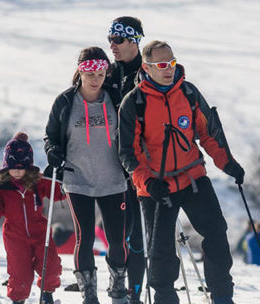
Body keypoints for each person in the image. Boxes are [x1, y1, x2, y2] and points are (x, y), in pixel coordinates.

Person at [118, 40, 245, 304]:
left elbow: (209, 133)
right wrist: (148, 182)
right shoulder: (134, 103)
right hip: (156, 187)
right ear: (147, 67)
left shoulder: (188, 92)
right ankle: (166, 299)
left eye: (172, 63)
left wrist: (227, 163)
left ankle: (222, 297)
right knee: (161, 252)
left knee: (216, 233)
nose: (168, 69)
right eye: (162, 65)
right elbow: (128, 153)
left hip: (192, 178)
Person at [44, 46, 130, 304]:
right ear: (80, 72)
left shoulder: (115, 99)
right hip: (77, 178)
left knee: (117, 239)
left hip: (114, 178)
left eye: (101, 74)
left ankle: (117, 288)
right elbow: (50, 136)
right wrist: (53, 151)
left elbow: (130, 130)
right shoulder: (66, 102)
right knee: (85, 237)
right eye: (90, 73)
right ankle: (89, 294)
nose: (96, 80)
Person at [0, 132, 67, 304]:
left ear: (28, 166)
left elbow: (58, 193)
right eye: (13, 167)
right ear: (6, 166)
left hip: (40, 232)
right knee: (19, 273)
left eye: (21, 167)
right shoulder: (1, 187)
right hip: (15, 236)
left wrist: (62, 181)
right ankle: (18, 300)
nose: (17, 171)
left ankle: (47, 295)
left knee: (51, 266)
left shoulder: (38, 182)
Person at [102, 16, 148, 303]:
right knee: (122, 232)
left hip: (142, 163)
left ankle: (137, 291)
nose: (112, 46)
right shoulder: (107, 73)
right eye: (110, 40)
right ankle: (118, 283)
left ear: (134, 41)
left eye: (118, 40)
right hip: (113, 164)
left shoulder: (147, 72)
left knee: (140, 234)